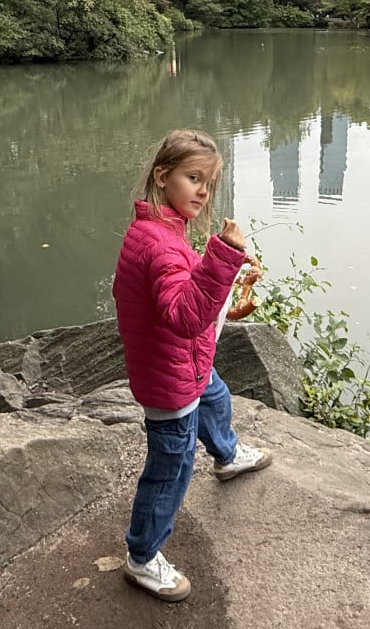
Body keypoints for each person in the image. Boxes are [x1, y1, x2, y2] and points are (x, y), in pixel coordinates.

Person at [113, 128, 272, 602]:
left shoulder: (156, 231)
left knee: (216, 397)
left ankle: (227, 455)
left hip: (183, 365)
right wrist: (223, 256)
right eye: (193, 177)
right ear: (162, 177)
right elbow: (184, 315)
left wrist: (217, 273)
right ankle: (142, 558)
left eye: (209, 182)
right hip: (170, 378)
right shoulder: (161, 245)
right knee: (171, 467)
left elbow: (182, 296)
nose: (203, 191)